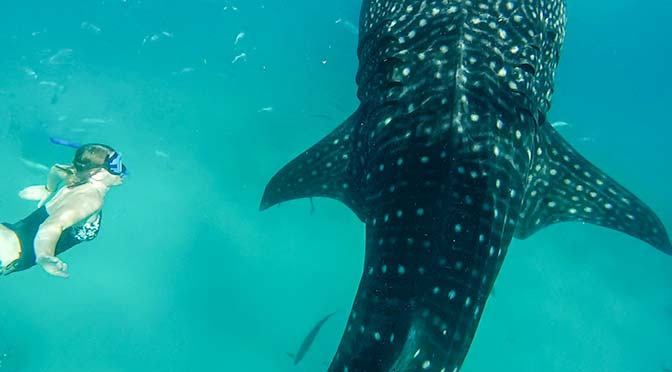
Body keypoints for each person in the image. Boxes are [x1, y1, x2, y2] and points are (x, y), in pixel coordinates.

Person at [0, 143, 127, 278]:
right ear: (97, 174)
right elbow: (50, 226)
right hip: (15, 251)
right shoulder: (91, 199)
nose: (122, 170)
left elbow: (56, 169)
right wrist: (44, 256)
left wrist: (48, 189)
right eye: (116, 165)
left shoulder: (74, 175)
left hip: (13, 232)